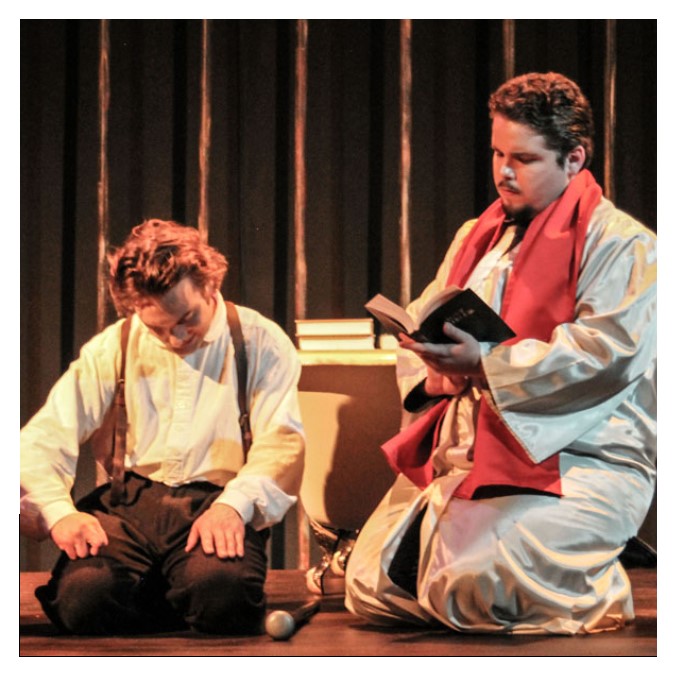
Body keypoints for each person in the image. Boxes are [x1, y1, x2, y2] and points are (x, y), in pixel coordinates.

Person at [345, 72, 656, 635]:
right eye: (497, 154)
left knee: (473, 586)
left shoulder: (623, 244)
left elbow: (606, 355)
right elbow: (430, 313)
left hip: (579, 459)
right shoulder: (478, 236)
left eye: (524, 159)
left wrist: (487, 365)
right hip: (471, 453)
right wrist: (436, 370)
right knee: (371, 587)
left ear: (574, 158)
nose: (503, 173)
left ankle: (601, 587)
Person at [20, 219, 305, 635]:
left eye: (187, 318)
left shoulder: (259, 341)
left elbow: (281, 443)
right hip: (130, 504)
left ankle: (179, 589)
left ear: (209, 284)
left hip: (216, 500)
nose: (176, 337)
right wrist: (60, 513)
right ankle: (174, 591)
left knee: (222, 596)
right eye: (158, 328)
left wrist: (233, 506)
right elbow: (44, 437)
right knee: (83, 601)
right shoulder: (114, 345)